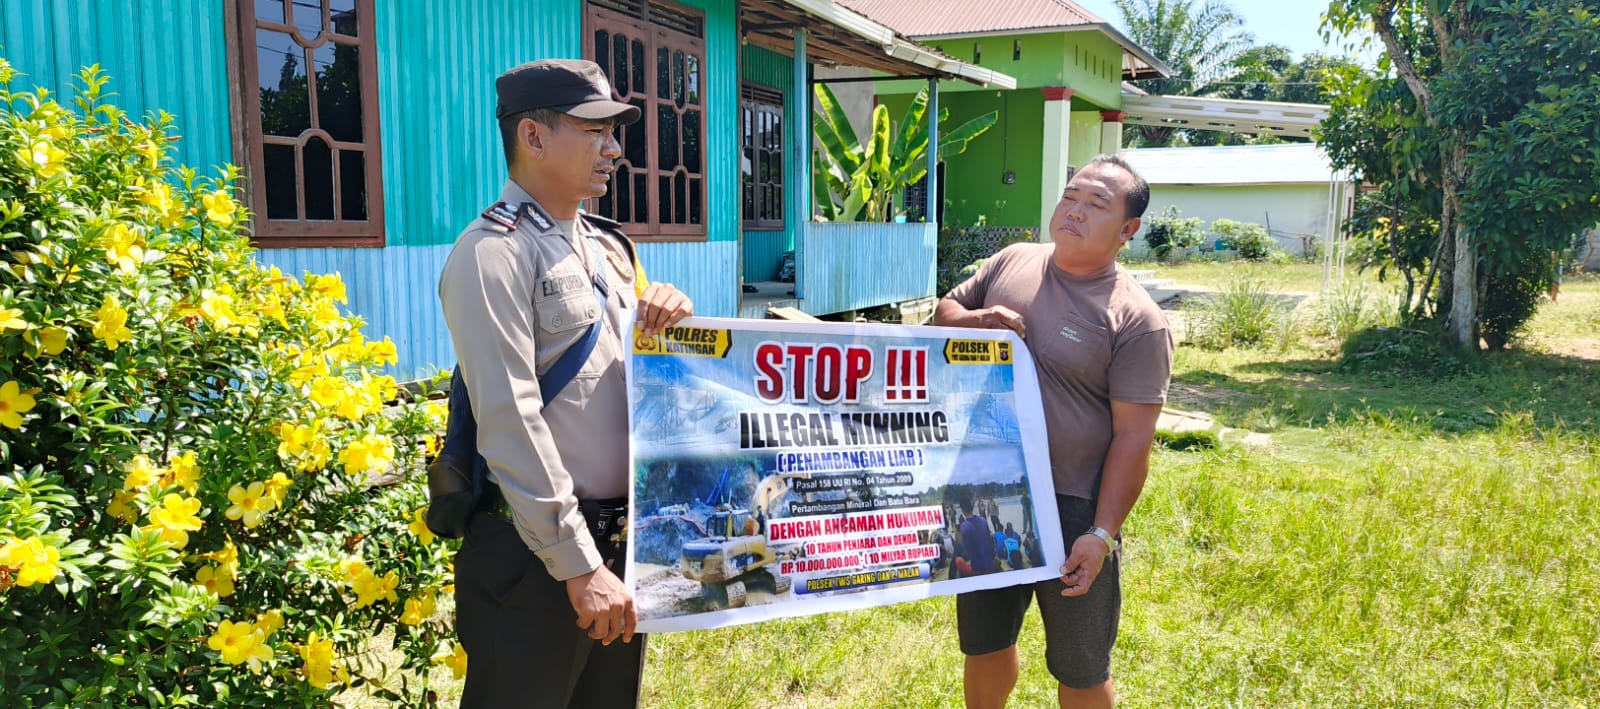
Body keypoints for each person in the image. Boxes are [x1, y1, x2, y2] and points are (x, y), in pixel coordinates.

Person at [438, 59, 694, 709]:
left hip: (616, 546)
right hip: (537, 557)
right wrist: (578, 565)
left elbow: (631, 378)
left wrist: (664, 314)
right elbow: (509, 417)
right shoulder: (493, 252)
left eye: (616, 132)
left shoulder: (611, 248)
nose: (614, 149)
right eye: (596, 130)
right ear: (533, 136)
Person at [936, 155, 1173, 709]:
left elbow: (1134, 438)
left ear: (1128, 230)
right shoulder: (1012, 260)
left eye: (1097, 204)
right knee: (986, 642)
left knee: (1081, 663)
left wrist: (1102, 533)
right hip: (988, 493)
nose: (1075, 211)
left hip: (1072, 506)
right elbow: (945, 312)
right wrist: (974, 320)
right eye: (1070, 196)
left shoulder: (1136, 319)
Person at [957, 496, 997, 577]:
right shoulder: (983, 520)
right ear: (972, 507)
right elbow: (989, 540)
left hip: (978, 568)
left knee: (958, 561)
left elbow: (967, 551)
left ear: (962, 510)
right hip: (990, 564)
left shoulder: (964, 526)